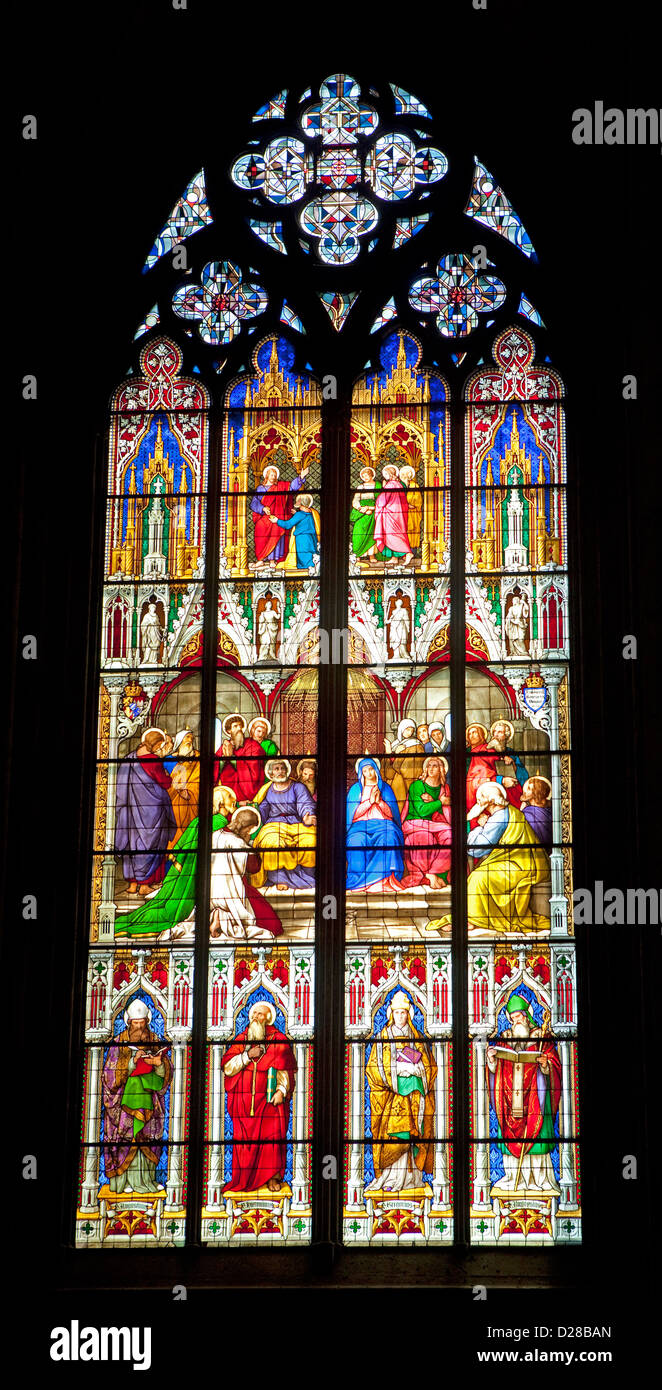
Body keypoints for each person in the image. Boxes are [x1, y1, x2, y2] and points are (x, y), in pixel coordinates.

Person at [116, 785, 237, 939]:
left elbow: (182, 848)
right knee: (171, 911)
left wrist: (179, 863)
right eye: (231, 798)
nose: (235, 801)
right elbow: (191, 846)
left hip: (190, 873)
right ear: (220, 803)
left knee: (165, 906)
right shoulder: (219, 823)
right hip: (193, 876)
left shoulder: (201, 821)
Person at [486, 993, 561, 1193]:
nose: (515, 1020)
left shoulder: (541, 1038)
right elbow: (494, 1072)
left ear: (527, 1016)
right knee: (509, 1139)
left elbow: (556, 1067)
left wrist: (546, 1066)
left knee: (538, 1140)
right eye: (512, 1017)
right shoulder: (504, 1039)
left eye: (519, 1016)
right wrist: (492, 1060)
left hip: (537, 1096)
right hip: (509, 1100)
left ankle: (540, 1180)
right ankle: (514, 1178)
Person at [221, 1001, 296, 1193]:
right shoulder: (242, 1039)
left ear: (268, 1018)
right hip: (243, 1104)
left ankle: (272, 1178)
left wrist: (281, 1090)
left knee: (272, 1138)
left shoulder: (278, 1040)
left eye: (260, 1014)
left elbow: (285, 1070)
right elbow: (228, 1068)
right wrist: (247, 1055)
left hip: (269, 1102)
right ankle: (244, 1179)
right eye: (254, 1013)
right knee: (243, 1142)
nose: (256, 1017)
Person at [365, 991, 436, 1193]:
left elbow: (430, 1068)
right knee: (394, 1136)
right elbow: (372, 1070)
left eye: (404, 1013)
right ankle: (390, 1177)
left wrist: (417, 1070)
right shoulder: (382, 1038)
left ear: (409, 1014)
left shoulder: (418, 1038)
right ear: (391, 1014)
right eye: (397, 1013)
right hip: (390, 1100)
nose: (400, 1017)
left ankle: (411, 1178)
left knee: (412, 1136)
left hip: (415, 1098)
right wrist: (396, 1074)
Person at [101, 999, 172, 1194]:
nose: (139, 1028)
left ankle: (147, 1181)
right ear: (128, 1022)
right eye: (135, 1024)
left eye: (142, 1023)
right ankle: (124, 1182)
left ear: (147, 1021)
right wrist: (132, 1062)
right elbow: (109, 1073)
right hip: (124, 1105)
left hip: (150, 1102)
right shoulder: (118, 1044)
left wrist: (158, 1063)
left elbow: (167, 1076)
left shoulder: (155, 1041)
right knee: (125, 1138)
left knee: (148, 1139)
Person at [465, 782, 550, 933]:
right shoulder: (503, 812)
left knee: (478, 878)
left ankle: (474, 920)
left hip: (520, 864)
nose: (479, 800)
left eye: (482, 796)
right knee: (480, 875)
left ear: (492, 800)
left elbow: (477, 849)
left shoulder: (499, 818)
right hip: (519, 861)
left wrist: (479, 828)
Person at [115, 728, 176, 895]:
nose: (159, 748)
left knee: (131, 843)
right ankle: (144, 885)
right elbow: (164, 782)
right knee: (151, 843)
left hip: (130, 810)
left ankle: (132, 884)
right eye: (159, 744)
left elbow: (121, 786)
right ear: (155, 744)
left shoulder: (130, 758)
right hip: (152, 812)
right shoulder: (153, 761)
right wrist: (168, 777)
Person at [208, 807, 282, 940]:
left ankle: (217, 915)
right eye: (249, 830)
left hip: (210, 889)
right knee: (273, 925)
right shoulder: (238, 842)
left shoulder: (213, 835)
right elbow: (254, 867)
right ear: (246, 828)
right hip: (231, 890)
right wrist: (251, 849)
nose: (249, 832)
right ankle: (222, 917)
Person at [251, 758, 316, 890]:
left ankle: (310, 877)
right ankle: (280, 879)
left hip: (297, 823)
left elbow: (305, 803)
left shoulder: (298, 787)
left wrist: (306, 816)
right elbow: (261, 811)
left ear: (287, 771)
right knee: (272, 843)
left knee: (311, 840)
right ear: (270, 773)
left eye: (282, 768)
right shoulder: (266, 790)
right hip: (273, 825)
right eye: (276, 769)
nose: (280, 771)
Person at [346, 757, 404, 891]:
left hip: (384, 825)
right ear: (361, 773)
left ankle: (385, 881)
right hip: (359, 827)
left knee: (389, 838)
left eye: (371, 769)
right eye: (365, 771)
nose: (369, 773)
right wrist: (369, 802)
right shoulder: (356, 790)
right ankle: (358, 881)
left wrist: (379, 803)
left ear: (376, 770)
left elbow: (391, 814)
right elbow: (353, 815)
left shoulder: (385, 789)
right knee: (355, 841)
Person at [401, 755, 452, 887]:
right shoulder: (418, 786)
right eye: (429, 765)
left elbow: (445, 814)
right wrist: (440, 802)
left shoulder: (444, 789)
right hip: (414, 823)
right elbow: (421, 810)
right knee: (425, 838)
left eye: (435, 765)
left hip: (436, 824)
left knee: (450, 836)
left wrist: (437, 803)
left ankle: (433, 872)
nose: (431, 768)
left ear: (441, 769)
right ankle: (428, 876)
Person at [250, 463, 308, 571]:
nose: (273, 477)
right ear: (266, 476)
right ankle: (261, 559)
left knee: (277, 529)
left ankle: (272, 560)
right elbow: (254, 503)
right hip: (264, 517)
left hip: (277, 515)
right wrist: (262, 508)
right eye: (271, 475)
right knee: (260, 528)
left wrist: (301, 477)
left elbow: (291, 487)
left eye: (275, 475)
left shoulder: (281, 486)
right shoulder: (260, 489)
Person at [215, 713, 265, 801]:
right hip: (227, 795)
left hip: (245, 793)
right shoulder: (224, 747)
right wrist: (223, 759)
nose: (239, 729)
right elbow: (214, 769)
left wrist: (232, 758)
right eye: (235, 726)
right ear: (228, 730)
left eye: (240, 726)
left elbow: (255, 771)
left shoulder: (252, 745)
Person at [263, 493, 320, 571]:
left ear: (301, 502)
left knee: (304, 557)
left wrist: (277, 521)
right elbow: (304, 518)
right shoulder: (311, 512)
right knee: (311, 555)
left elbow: (287, 525)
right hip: (311, 538)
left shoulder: (299, 514)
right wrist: (296, 514)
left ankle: (306, 572)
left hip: (302, 539)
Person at [383, 717, 426, 817]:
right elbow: (386, 773)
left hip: (406, 783)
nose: (409, 732)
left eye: (412, 730)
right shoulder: (395, 745)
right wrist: (390, 753)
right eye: (407, 729)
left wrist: (395, 755)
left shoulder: (416, 746)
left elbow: (406, 769)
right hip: (393, 784)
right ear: (401, 729)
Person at [373, 464, 414, 567]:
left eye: (386, 473)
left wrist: (377, 504)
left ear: (390, 474)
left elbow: (383, 500)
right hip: (398, 513)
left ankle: (408, 553)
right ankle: (394, 558)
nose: (385, 475)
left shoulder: (390, 485)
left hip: (391, 514)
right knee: (396, 534)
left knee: (393, 535)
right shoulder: (399, 484)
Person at [486, 719, 529, 808]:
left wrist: (513, 763)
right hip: (494, 789)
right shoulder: (487, 752)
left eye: (500, 732)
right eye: (495, 731)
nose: (496, 734)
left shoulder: (510, 752)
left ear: (506, 735)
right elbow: (484, 772)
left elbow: (522, 775)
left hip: (512, 788)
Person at [167, 728, 199, 847]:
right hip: (172, 803)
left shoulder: (197, 759)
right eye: (187, 737)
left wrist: (189, 793)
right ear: (179, 741)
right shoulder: (168, 760)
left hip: (192, 803)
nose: (189, 740)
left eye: (191, 738)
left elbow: (199, 781)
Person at [350, 466, 379, 560]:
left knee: (372, 534)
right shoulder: (360, 487)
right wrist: (360, 508)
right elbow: (355, 500)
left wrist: (371, 508)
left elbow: (381, 501)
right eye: (363, 476)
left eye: (366, 475)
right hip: (361, 513)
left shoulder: (378, 486)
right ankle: (358, 555)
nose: (365, 478)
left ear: (371, 476)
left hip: (373, 513)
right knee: (358, 533)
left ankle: (372, 555)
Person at [465, 722, 492, 813]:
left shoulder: (487, 749)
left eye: (475, 732)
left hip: (483, 784)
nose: (471, 735)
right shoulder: (465, 751)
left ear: (481, 734)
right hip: (466, 786)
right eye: (469, 733)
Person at [521, 775, 553, 848]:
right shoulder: (550, 811)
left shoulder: (526, 814)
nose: (525, 791)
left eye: (528, 789)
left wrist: (521, 813)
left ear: (537, 793)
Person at [398, 464, 422, 552]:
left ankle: (412, 550)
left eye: (407, 474)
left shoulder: (414, 486)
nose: (405, 476)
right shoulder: (398, 486)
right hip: (401, 513)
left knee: (413, 530)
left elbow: (418, 499)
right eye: (403, 474)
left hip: (413, 513)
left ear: (411, 475)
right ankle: (401, 552)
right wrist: (405, 505)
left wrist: (411, 503)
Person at [505, 589, 530, 656]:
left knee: (521, 639)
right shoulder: (511, 608)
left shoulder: (521, 606)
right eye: (513, 600)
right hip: (514, 626)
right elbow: (509, 617)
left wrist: (524, 602)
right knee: (514, 639)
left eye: (515, 600)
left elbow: (527, 609)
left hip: (521, 625)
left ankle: (523, 652)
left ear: (518, 600)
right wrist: (514, 621)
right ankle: (514, 652)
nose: (513, 601)